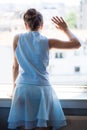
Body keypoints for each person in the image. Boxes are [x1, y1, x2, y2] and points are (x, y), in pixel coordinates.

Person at [8, 8, 81, 130]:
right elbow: (76, 44)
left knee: (24, 126)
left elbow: (15, 67)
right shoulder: (48, 42)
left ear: (25, 25)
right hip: (42, 89)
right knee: (43, 127)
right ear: (41, 25)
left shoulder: (17, 38)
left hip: (23, 89)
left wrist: (14, 89)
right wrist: (65, 29)